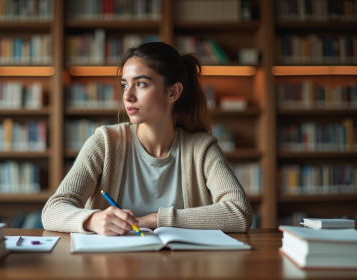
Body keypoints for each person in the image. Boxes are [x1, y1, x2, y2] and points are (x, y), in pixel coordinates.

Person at [42, 42, 252, 235]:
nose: (127, 96)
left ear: (173, 92)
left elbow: (239, 212)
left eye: (140, 84)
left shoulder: (201, 148)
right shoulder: (105, 143)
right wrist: (93, 220)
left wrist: (154, 220)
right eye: (125, 85)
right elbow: (52, 211)